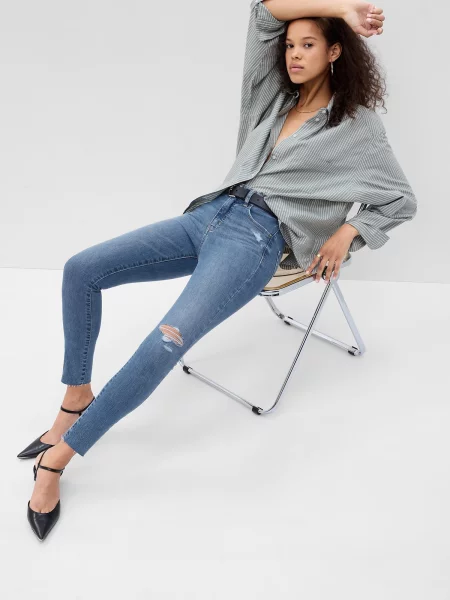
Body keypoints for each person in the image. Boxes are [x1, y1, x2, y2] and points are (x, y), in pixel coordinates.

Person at [19, 0, 413, 541]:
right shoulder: (269, 97)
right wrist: (339, 7)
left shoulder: (357, 126)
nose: (294, 54)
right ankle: (76, 397)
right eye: (290, 45)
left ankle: (58, 459)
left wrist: (349, 232)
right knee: (81, 269)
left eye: (309, 45)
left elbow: (400, 199)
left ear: (335, 52)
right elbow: (264, 11)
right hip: (210, 214)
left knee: (165, 340)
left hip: (258, 240)